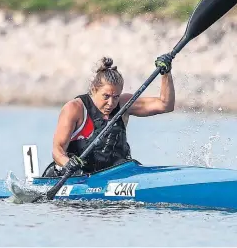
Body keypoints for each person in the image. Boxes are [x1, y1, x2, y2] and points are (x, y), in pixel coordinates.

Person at [42, 53, 175, 177]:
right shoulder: (75, 108)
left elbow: (165, 105)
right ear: (94, 90)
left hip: (117, 174)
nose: (111, 103)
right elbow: (57, 150)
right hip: (82, 177)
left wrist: (166, 74)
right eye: (106, 96)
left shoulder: (124, 104)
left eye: (116, 97)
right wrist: (68, 164)